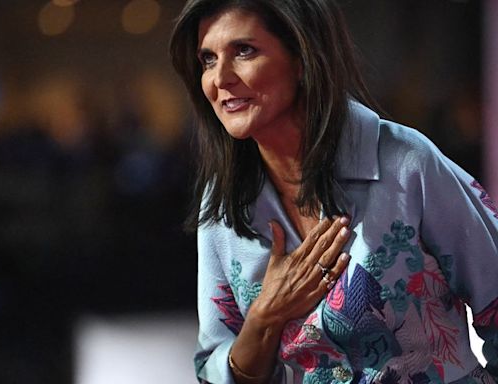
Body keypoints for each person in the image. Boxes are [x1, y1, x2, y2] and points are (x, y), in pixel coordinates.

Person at [169, 0, 498, 383]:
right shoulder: (223, 205)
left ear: (302, 56)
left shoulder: (406, 164)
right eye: (208, 59)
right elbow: (213, 371)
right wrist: (265, 317)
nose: (220, 78)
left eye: (244, 51)